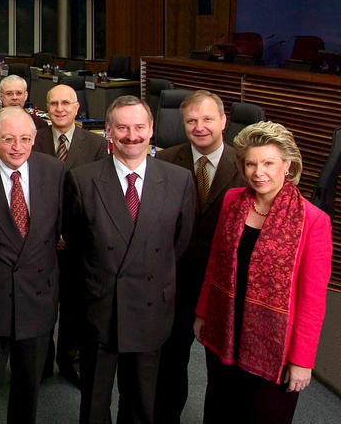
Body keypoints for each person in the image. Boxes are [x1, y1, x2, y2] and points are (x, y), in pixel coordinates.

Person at [63, 95, 194, 424]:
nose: (131, 135)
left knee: (141, 401)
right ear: (108, 131)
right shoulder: (82, 179)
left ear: (151, 129)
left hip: (151, 308)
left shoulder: (179, 180)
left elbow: (178, 243)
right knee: (94, 400)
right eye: (122, 127)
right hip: (100, 306)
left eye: (139, 127)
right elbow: (77, 242)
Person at [195, 121, 332, 424]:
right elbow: (216, 262)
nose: (259, 172)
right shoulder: (233, 200)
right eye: (251, 164)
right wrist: (203, 314)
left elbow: (312, 302)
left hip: (275, 348)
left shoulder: (313, 221)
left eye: (269, 163)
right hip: (225, 329)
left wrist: (302, 361)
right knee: (220, 411)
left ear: (287, 165)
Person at [0, 107, 66, 424]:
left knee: (28, 387)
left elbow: (58, 228)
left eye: (25, 139)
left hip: (37, 299)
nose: (17, 147)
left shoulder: (54, 172)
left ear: (34, 139)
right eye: (8, 139)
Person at [153, 90, 244, 423]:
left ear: (223, 121)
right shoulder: (163, 160)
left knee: (220, 371)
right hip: (175, 283)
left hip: (223, 287)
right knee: (169, 364)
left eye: (207, 119)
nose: (199, 127)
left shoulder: (246, 164)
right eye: (191, 120)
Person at [33, 83, 109, 387]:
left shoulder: (95, 145)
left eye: (66, 103)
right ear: (46, 108)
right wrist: (52, 232)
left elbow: (97, 196)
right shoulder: (32, 140)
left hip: (79, 241)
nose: (60, 109)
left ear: (77, 108)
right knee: (41, 304)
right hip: (39, 239)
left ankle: (69, 358)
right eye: (54, 103)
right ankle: (42, 360)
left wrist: (70, 234)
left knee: (75, 305)